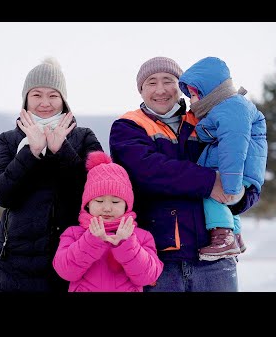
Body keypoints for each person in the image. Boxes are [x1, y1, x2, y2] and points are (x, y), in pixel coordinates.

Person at [109, 56, 260, 292]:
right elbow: (150, 172)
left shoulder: (208, 121)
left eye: (168, 80)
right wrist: (211, 182)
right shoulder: (127, 126)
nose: (160, 90)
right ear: (141, 90)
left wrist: (239, 196)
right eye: (151, 82)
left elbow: (244, 162)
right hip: (156, 260)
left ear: (181, 86)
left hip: (215, 260)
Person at [0, 57, 104, 292]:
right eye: (37, 95)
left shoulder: (83, 138)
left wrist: (62, 151)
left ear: (64, 100)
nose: (45, 103)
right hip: (13, 268)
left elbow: (98, 193)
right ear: (26, 99)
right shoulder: (9, 140)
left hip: (72, 260)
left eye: (53, 95)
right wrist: (31, 152)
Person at [178, 56, 268, 261]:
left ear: (208, 92)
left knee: (212, 194)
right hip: (235, 173)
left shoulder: (233, 109)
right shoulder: (226, 108)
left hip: (238, 173)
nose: (191, 101)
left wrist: (230, 186)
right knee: (220, 196)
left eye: (193, 95)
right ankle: (235, 236)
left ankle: (223, 237)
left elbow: (233, 149)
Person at [52, 151, 163, 292]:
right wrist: (90, 241)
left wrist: (127, 244)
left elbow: (148, 277)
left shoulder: (142, 237)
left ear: (126, 205)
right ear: (87, 204)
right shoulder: (73, 234)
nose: (107, 208)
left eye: (115, 201)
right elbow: (65, 272)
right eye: (99, 201)